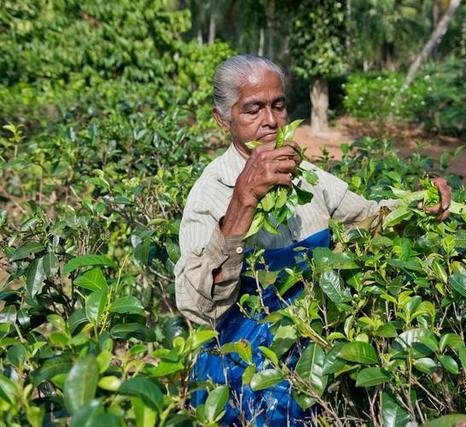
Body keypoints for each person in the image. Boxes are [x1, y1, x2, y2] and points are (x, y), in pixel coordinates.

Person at [174, 54, 451, 425]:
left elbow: (369, 219)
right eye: (253, 109)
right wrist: (242, 201)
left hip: (308, 365)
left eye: (278, 106)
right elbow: (197, 308)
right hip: (242, 375)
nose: (270, 121)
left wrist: (418, 202)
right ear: (223, 119)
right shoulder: (209, 193)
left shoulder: (307, 178)